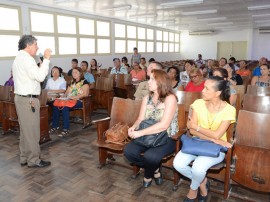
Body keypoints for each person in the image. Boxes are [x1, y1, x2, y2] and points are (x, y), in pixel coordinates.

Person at [173, 76, 236, 202]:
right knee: (177, 164)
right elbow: (191, 130)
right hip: (196, 143)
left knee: (198, 168)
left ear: (217, 93)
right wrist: (212, 137)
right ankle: (203, 182)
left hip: (216, 149)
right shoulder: (198, 104)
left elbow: (217, 134)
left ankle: (193, 190)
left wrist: (197, 127)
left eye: (207, 88)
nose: (202, 90)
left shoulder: (229, 109)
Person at [124, 69, 179, 188]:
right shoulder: (147, 98)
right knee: (129, 152)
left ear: (161, 82)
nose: (148, 82)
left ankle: (148, 175)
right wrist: (133, 128)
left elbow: (164, 125)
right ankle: (155, 170)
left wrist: (140, 133)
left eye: (152, 79)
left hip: (166, 137)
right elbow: (140, 119)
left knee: (151, 156)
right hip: (147, 135)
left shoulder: (170, 98)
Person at [12, 35, 52, 168]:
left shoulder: (19, 57)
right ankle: (34, 160)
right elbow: (40, 77)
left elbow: (33, 76)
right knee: (32, 132)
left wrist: (40, 66)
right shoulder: (27, 59)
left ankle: (24, 157)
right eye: (35, 44)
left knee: (25, 131)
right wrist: (46, 60)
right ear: (28, 46)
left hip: (21, 98)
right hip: (28, 100)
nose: (38, 47)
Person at [50, 67, 89, 137]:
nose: (74, 74)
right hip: (69, 100)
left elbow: (85, 94)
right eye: (73, 72)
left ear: (80, 73)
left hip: (79, 101)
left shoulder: (84, 81)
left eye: (76, 72)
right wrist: (63, 97)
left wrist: (74, 97)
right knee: (56, 104)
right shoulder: (72, 82)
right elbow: (67, 92)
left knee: (65, 107)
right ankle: (55, 125)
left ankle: (66, 128)